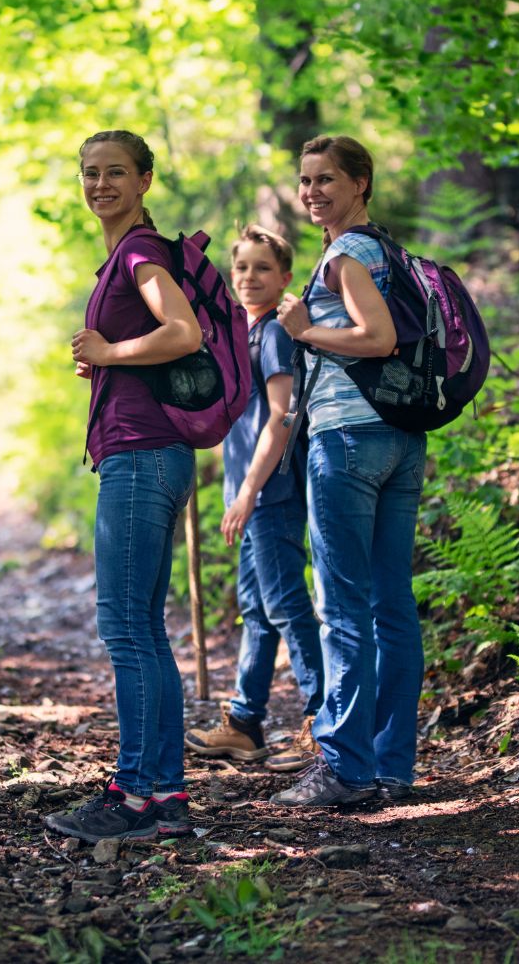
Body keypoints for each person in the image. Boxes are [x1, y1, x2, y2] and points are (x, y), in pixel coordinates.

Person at [44, 130, 202, 844]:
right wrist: (111, 364)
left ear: (144, 180)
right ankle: (162, 792)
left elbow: (184, 331)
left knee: (126, 627)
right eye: (90, 173)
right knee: (143, 628)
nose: (100, 184)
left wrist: (112, 351)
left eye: (115, 172)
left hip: (142, 457)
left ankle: (135, 793)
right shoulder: (123, 255)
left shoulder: (140, 253)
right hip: (147, 454)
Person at [270, 136, 426, 808]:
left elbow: (379, 338)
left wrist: (304, 331)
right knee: (392, 606)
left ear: (360, 183)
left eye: (326, 180)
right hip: (399, 437)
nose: (312, 193)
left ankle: (345, 767)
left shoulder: (345, 255)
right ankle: (392, 764)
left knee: (344, 608)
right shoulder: (389, 251)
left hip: (348, 438)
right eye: (305, 182)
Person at [184, 225, 323, 773]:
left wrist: (247, 492)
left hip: (272, 492)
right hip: (248, 493)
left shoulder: (275, 337)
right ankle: (244, 724)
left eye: (263, 268)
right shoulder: (242, 334)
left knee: (288, 608)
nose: (249, 277)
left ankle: (322, 723)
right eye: (241, 267)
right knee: (257, 612)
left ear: (285, 277)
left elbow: (282, 417)